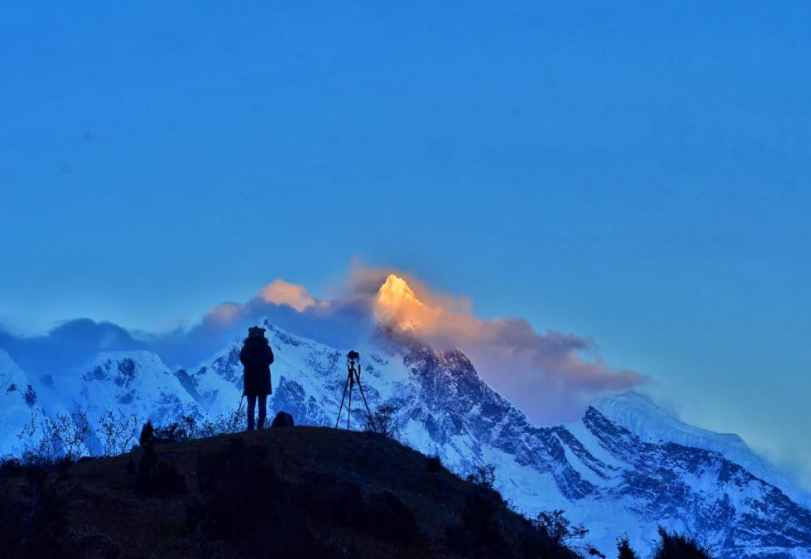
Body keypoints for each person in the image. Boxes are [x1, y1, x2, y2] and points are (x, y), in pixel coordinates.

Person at [239, 326, 274, 430]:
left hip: (250, 381)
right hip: (263, 380)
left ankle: (250, 427)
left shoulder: (246, 348)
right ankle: (260, 426)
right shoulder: (266, 347)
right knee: (262, 404)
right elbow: (271, 359)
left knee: (251, 404)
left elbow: (243, 360)